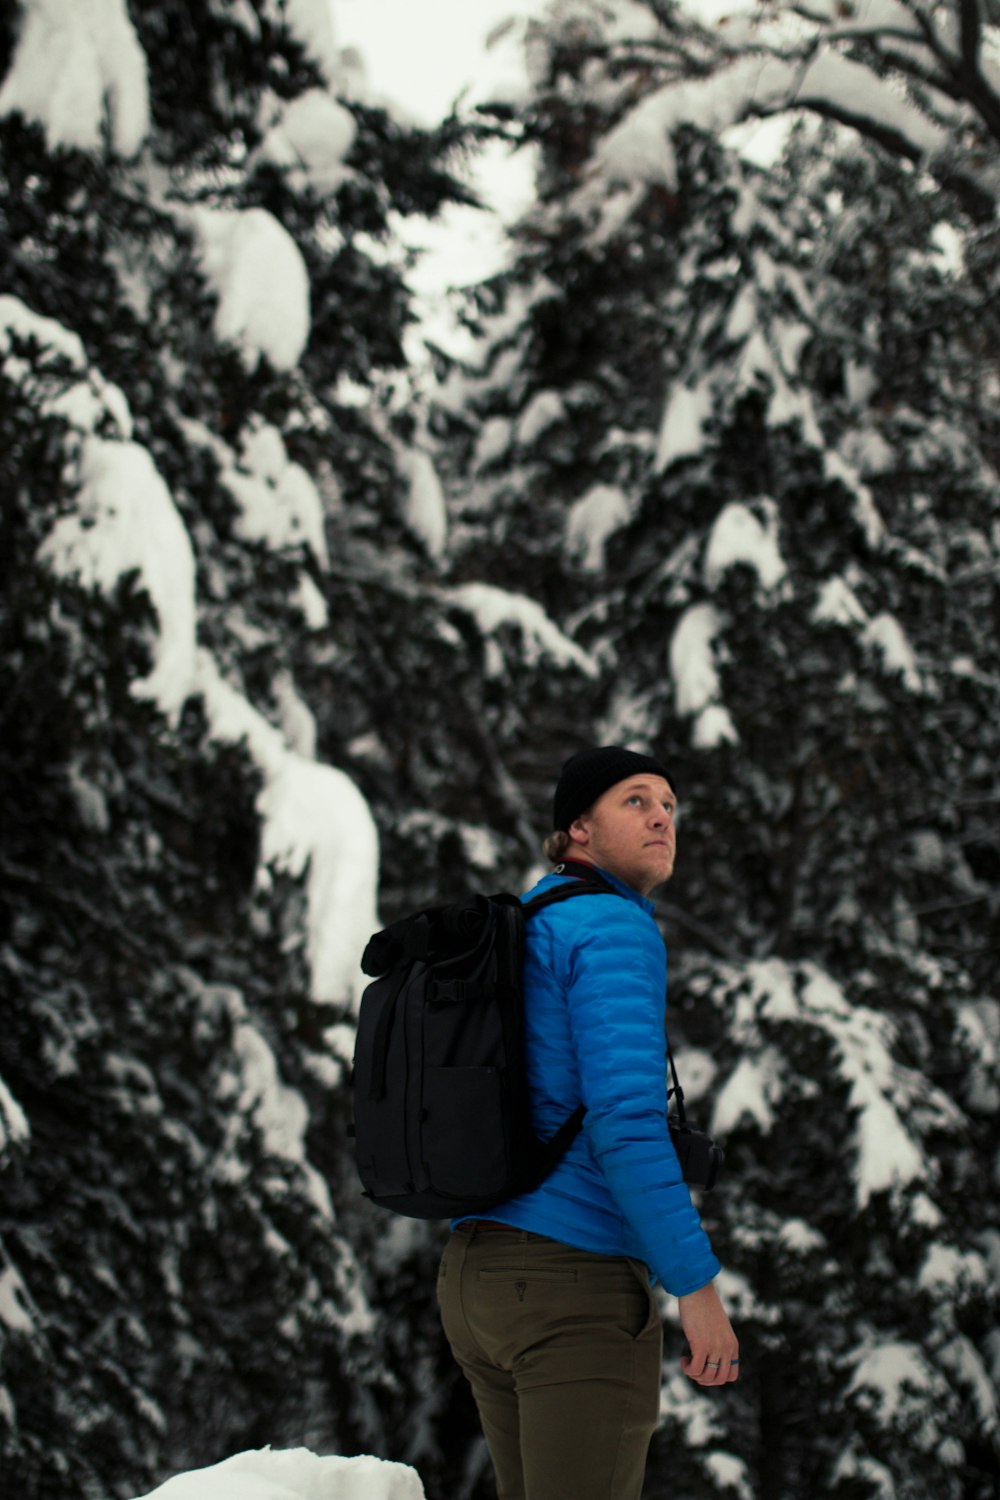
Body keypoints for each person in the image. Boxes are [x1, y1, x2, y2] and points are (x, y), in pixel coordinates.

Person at [436, 745, 739, 1500]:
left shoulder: (527, 924)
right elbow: (625, 1125)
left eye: (668, 803)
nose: (662, 816)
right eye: (635, 801)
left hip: (477, 1277)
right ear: (577, 828)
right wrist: (695, 1287)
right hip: (571, 1288)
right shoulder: (611, 929)